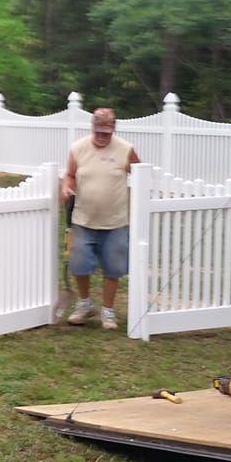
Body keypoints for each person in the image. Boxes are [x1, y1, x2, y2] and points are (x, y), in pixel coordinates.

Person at [61, 107, 140, 330]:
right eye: (98, 131)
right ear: (92, 128)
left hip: (116, 221)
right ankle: (85, 304)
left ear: (113, 129)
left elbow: (142, 175)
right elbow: (70, 175)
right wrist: (67, 188)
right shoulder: (78, 148)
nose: (101, 136)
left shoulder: (126, 149)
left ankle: (108, 311)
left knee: (113, 268)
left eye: (106, 132)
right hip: (83, 219)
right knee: (79, 264)